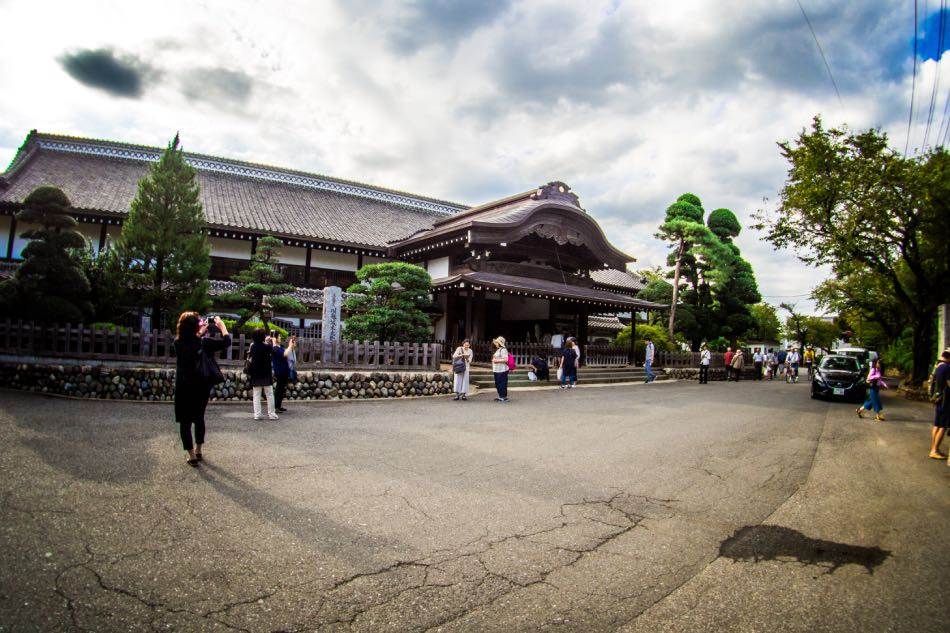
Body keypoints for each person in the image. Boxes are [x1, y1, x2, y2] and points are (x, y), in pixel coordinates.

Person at [173, 313, 231, 467]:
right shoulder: (205, 343)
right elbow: (227, 341)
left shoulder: (178, 343)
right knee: (199, 417)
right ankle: (199, 450)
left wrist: (200, 332)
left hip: (184, 386)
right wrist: (221, 326)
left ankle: (191, 455)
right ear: (196, 326)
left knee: (185, 422)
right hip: (201, 386)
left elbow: (190, 342)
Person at [247, 329, 278, 421]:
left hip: (255, 373)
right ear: (263, 337)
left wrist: (266, 342)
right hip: (266, 373)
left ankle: (257, 414)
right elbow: (274, 352)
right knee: (269, 394)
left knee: (256, 395)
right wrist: (272, 342)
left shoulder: (253, 346)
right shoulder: (267, 346)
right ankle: (271, 414)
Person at [928, 349, 950, 460]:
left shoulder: (938, 366)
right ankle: (934, 450)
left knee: (937, 425)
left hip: (937, 399)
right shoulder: (947, 368)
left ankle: (933, 447)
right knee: (943, 426)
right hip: (945, 400)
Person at [271, 333, 297, 413]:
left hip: (284, 370)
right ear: (275, 338)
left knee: (282, 389)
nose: (280, 338)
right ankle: (275, 407)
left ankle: (278, 405)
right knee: (279, 389)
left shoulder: (279, 347)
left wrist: (292, 346)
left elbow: (287, 352)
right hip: (280, 371)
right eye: (279, 336)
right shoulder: (275, 348)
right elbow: (285, 354)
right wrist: (289, 345)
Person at [492, 336, 510, 403]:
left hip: (502, 369)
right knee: (498, 383)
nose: (495, 344)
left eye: (496, 342)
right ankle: (500, 396)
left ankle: (503, 397)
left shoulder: (503, 350)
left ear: (499, 343)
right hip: (497, 369)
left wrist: (496, 360)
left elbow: (506, 359)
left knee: (502, 383)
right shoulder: (499, 349)